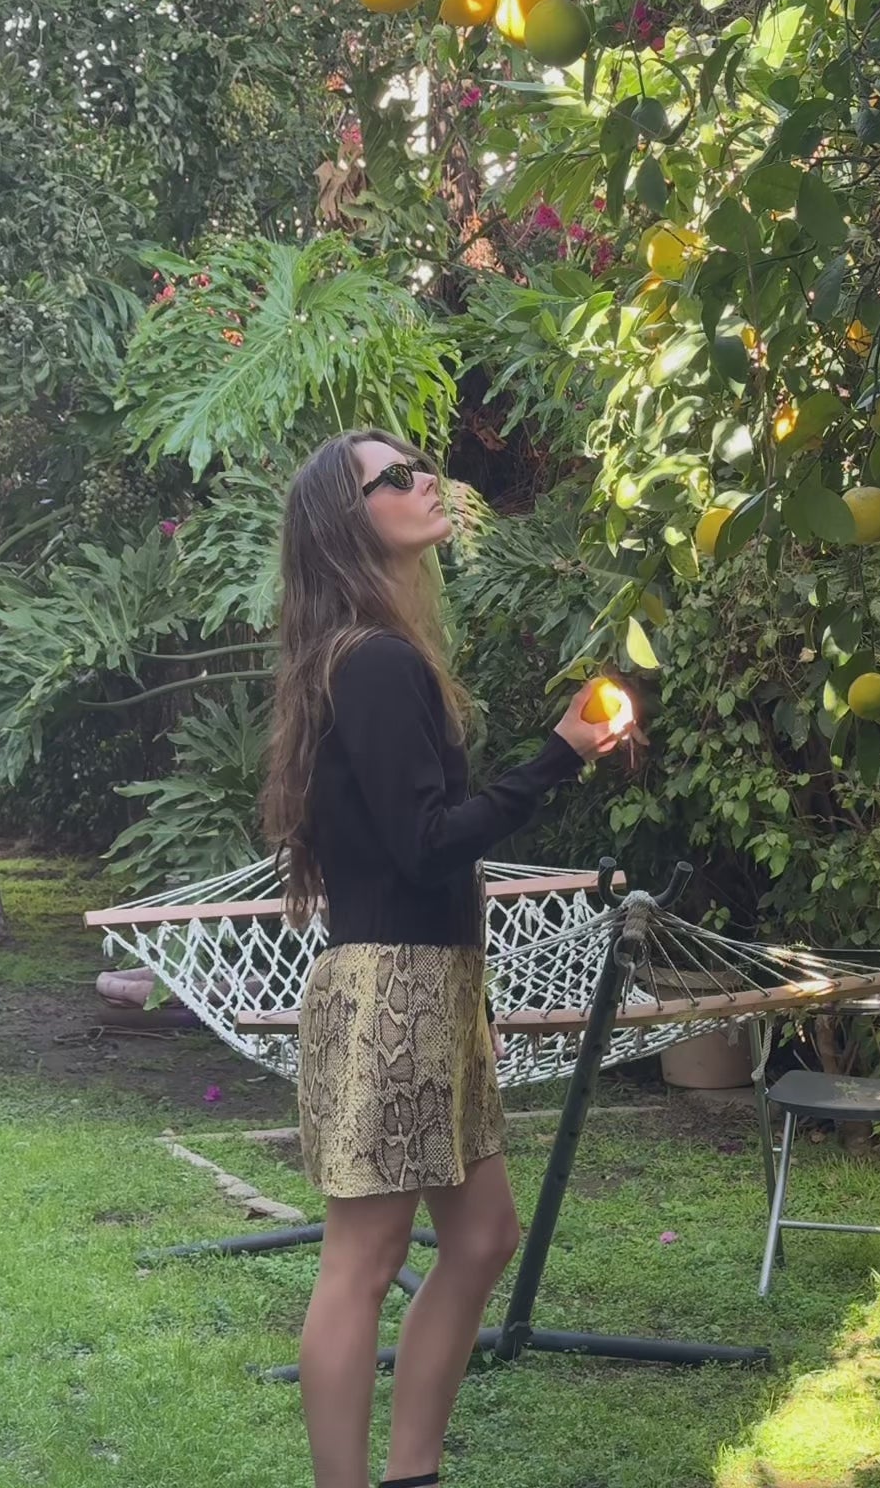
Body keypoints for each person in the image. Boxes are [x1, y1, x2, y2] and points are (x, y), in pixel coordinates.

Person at [263, 429, 634, 1488]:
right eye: (396, 477)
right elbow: (426, 844)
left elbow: (411, 853)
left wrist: (473, 1008)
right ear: (349, 522)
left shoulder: (373, 656)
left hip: (430, 988)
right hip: (393, 994)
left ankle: (412, 1473)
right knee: (364, 1261)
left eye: (420, 464)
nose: (427, 480)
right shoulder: (374, 664)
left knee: (481, 1239)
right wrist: (559, 756)